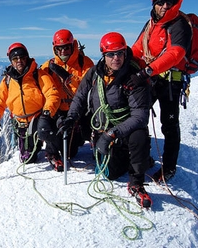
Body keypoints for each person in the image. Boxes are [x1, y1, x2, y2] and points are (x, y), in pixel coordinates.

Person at [59, 32, 153, 208]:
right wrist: (71, 118)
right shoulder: (94, 74)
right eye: (111, 54)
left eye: (119, 53)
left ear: (125, 53)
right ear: (104, 55)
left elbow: (140, 117)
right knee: (109, 174)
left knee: (138, 136)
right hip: (101, 126)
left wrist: (111, 134)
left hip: (124, 130)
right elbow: (80, 97)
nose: (116, 58)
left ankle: (136, 181)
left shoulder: (134, 78)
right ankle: (134, 157)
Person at [128, 0, 192, 182]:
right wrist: (119, 62)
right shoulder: (151, 25)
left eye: (169, 1)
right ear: (154, 3)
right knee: (139, 116)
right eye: (160, 1)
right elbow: (138, 49)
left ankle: (169, 168)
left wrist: (148, 70)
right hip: (153, 79)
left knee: (169, 125)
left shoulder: (179, 24)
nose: (165, 5)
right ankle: (144, 157)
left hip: (170, 82)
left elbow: (177, 53)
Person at [0, 42, 60, 166]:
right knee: (27, 159)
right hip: (22, 124)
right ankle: (34, 146)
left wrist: (47, 114)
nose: (19, 60)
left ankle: (52, 152)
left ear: (27, 57)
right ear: (11, 61)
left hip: (39, 118)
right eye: (15, 58)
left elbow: (52, 95)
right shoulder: (8, 80)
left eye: (22, 57)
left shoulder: (38, 75)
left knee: (50, 128)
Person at [40, 29, 94, 166]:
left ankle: (96, 144)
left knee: (72, 151)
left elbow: (88, 87)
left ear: (72, 46)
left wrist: (68, 78)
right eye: (59, 48)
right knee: (65, 150)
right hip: (59, 110)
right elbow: (38, 84)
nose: (63, 51)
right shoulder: (49, 65)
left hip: (79, 110)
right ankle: (52, 152)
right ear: (55, 49)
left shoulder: (85, 63)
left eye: (66, 48)